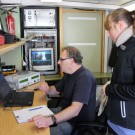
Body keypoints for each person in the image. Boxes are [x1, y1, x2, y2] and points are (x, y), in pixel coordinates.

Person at [30, 46, 96, 135]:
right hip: (63, 110)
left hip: (75, 122)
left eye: (61, 59)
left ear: (71, 60)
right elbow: (56, 90)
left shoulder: (84, 78)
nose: (58, 62)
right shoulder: (69, 74)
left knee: (40, 133)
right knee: (33, 116)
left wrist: (50, 120)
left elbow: (74, 110)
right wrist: (47, 89)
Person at [102, 8, 135, 135]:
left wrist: (110, 89)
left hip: (127, 124)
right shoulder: (122, 48)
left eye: (110, 29)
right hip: (116, 119)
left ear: (120, 25)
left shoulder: (132, 48)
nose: (108, 34)